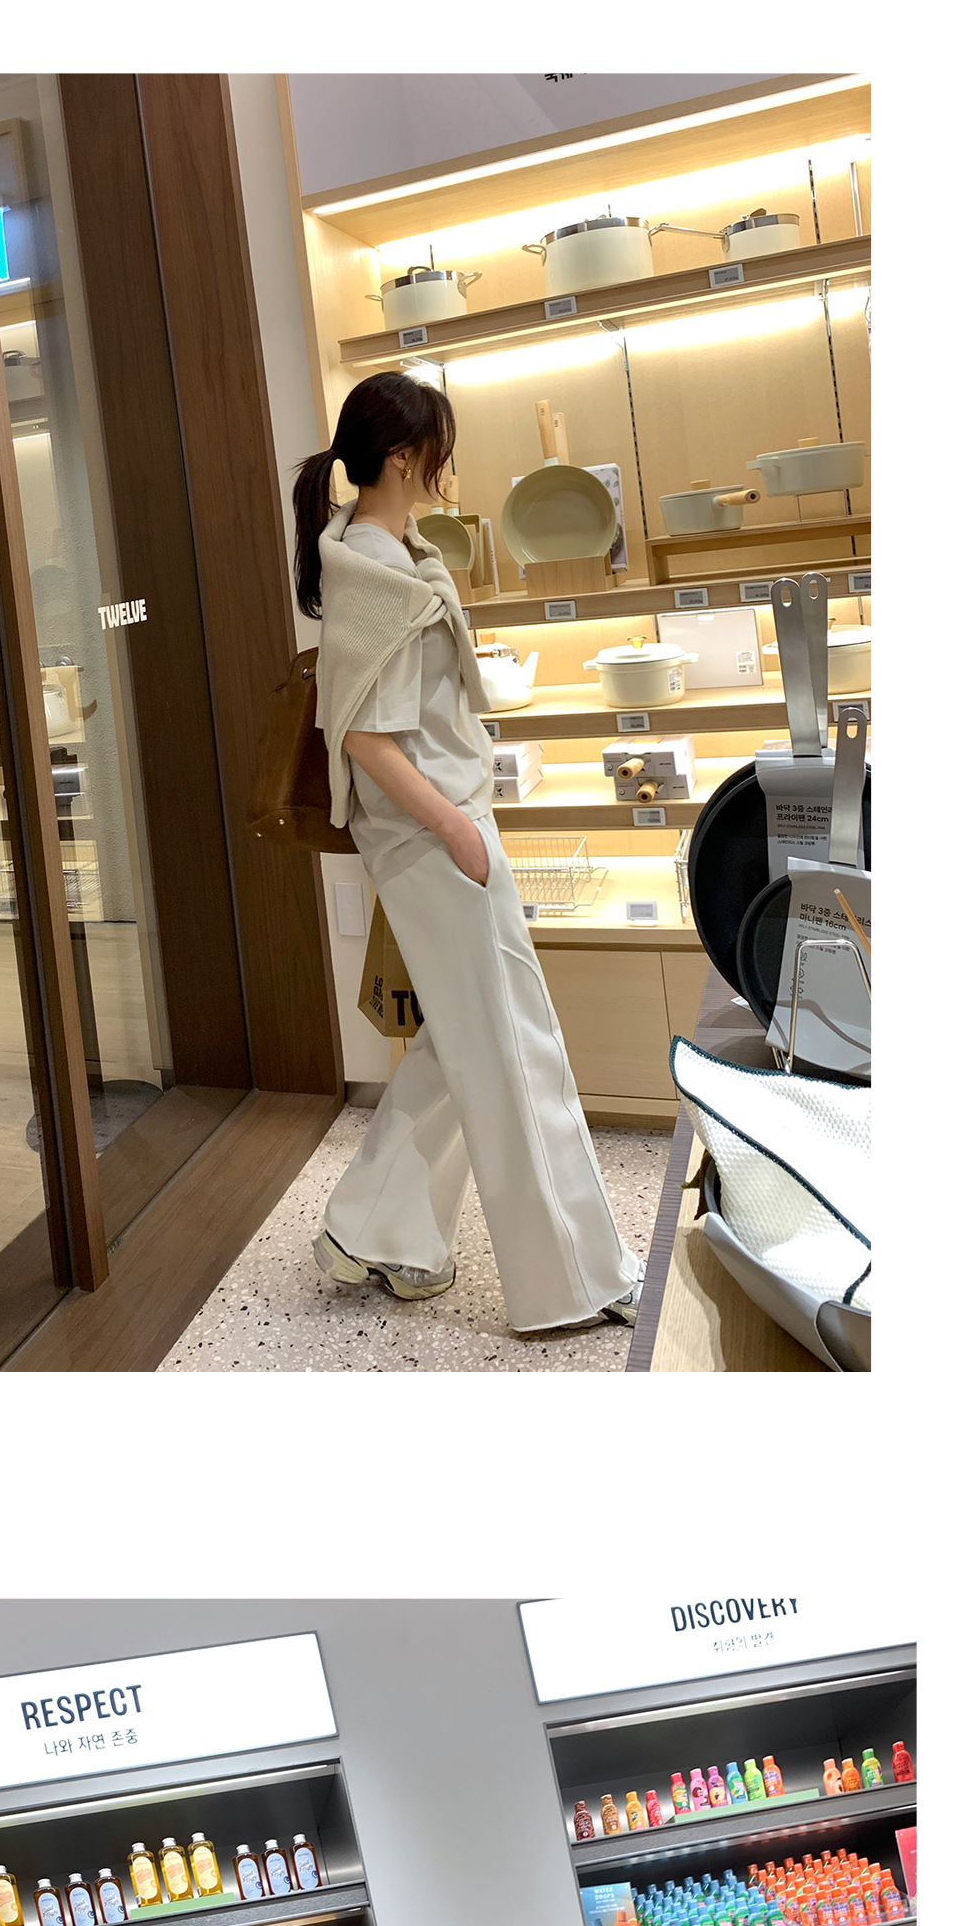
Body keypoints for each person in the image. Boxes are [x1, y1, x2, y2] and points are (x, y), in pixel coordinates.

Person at [293, 374, 641, 1333]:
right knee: (514, 1048)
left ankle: (376, 1232)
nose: (448, 467)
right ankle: (575, 1276)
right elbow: (366, 739)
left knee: (463, 1040)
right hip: (436, 835)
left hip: (442, 828)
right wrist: (455, 831)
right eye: (438, 450)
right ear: (405, 458)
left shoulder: (390, 556)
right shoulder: (377, 574)